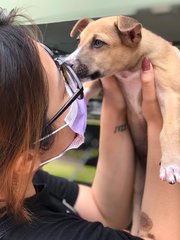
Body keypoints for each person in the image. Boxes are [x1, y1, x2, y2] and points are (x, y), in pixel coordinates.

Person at [0, 8, 179, 240]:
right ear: (25, 161)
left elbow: (106, 209)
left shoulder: (26, 181)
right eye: (63, 86)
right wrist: (159, 121)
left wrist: (117, 97)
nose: (70, 67)